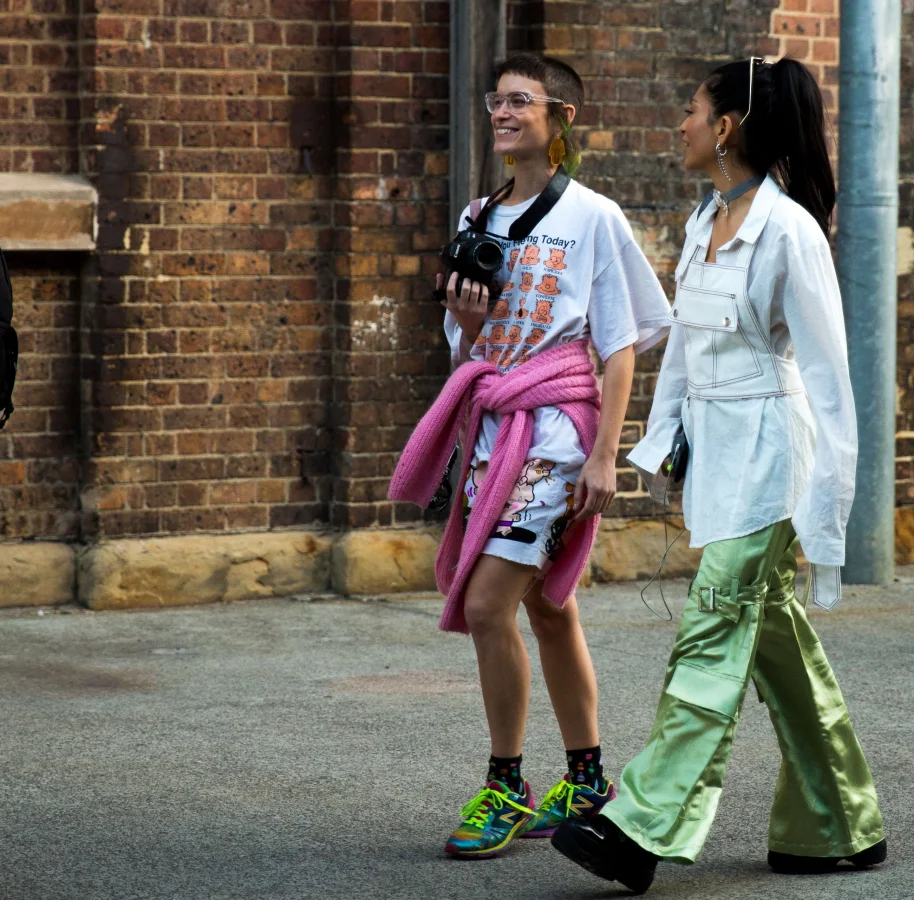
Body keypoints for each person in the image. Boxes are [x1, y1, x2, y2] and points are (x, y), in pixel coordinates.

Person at [551, 57, 886, 893]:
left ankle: (641, 824)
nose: (682, 124)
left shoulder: (790, 232)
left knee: (712, 625)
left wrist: (828, 506)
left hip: (773, 460)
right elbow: (686, 353)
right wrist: (663, 443)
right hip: (718, 456)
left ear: (727, 126)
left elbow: (831, 380)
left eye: (693, 109)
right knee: (773, 638)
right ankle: (839, 819)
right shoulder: (704, 222)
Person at [388, 52, 670, 858]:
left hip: (556, 434)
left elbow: (620, 344)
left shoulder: (593, 216)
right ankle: (586, 778)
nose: (503, 114)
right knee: (547, 606)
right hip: (494, 430)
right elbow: (468, 347)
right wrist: (468, 320)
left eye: (521, 101)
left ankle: (505, 785)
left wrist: (605, 456)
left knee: (487, 606)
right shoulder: (477, 215)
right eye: (497, 101)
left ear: (560, 118)